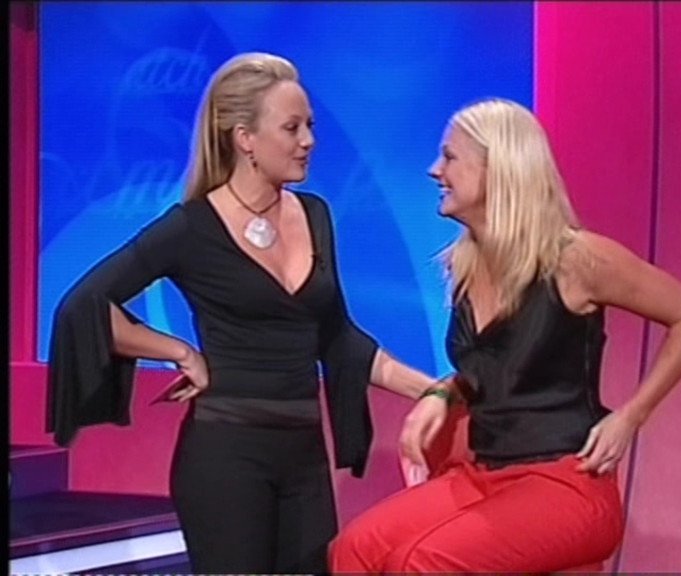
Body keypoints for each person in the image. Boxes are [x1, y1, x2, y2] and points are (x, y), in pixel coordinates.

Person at [46, 52, 440, 575]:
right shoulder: (191, 227)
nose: (308, 141)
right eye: (292, 128)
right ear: (244, 138)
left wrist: (435, 390)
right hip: (225, 457)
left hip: (303, 456)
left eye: (311, 126)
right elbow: (86, 306)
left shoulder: (315, 214)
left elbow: (337, 338)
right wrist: (179, 351)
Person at [328, 98, 681, 574]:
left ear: (498, 170)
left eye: (449, 157)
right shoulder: (465, 267)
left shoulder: (576, 260)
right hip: (485, 474)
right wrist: (441, 395)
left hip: (566, 483)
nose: (434, 170)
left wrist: (631, 416)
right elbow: (495, 368)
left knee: (421, 564)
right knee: (354, 549)